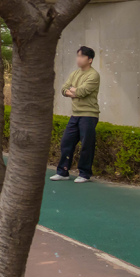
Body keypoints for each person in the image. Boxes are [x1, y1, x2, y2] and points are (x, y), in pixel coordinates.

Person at [51, 46, 101, 183]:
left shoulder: (93, 75)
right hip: (75, 114)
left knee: (86, 145)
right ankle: (63, 172)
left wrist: (74, 91)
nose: (78, 59)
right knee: (66, 142)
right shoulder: (74, 74)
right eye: (77, 56)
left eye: (82, 56)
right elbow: (63, 89)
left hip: (89, 114)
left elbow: (82, 92)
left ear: (90, 60)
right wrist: (72, 91)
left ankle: (84, 174)